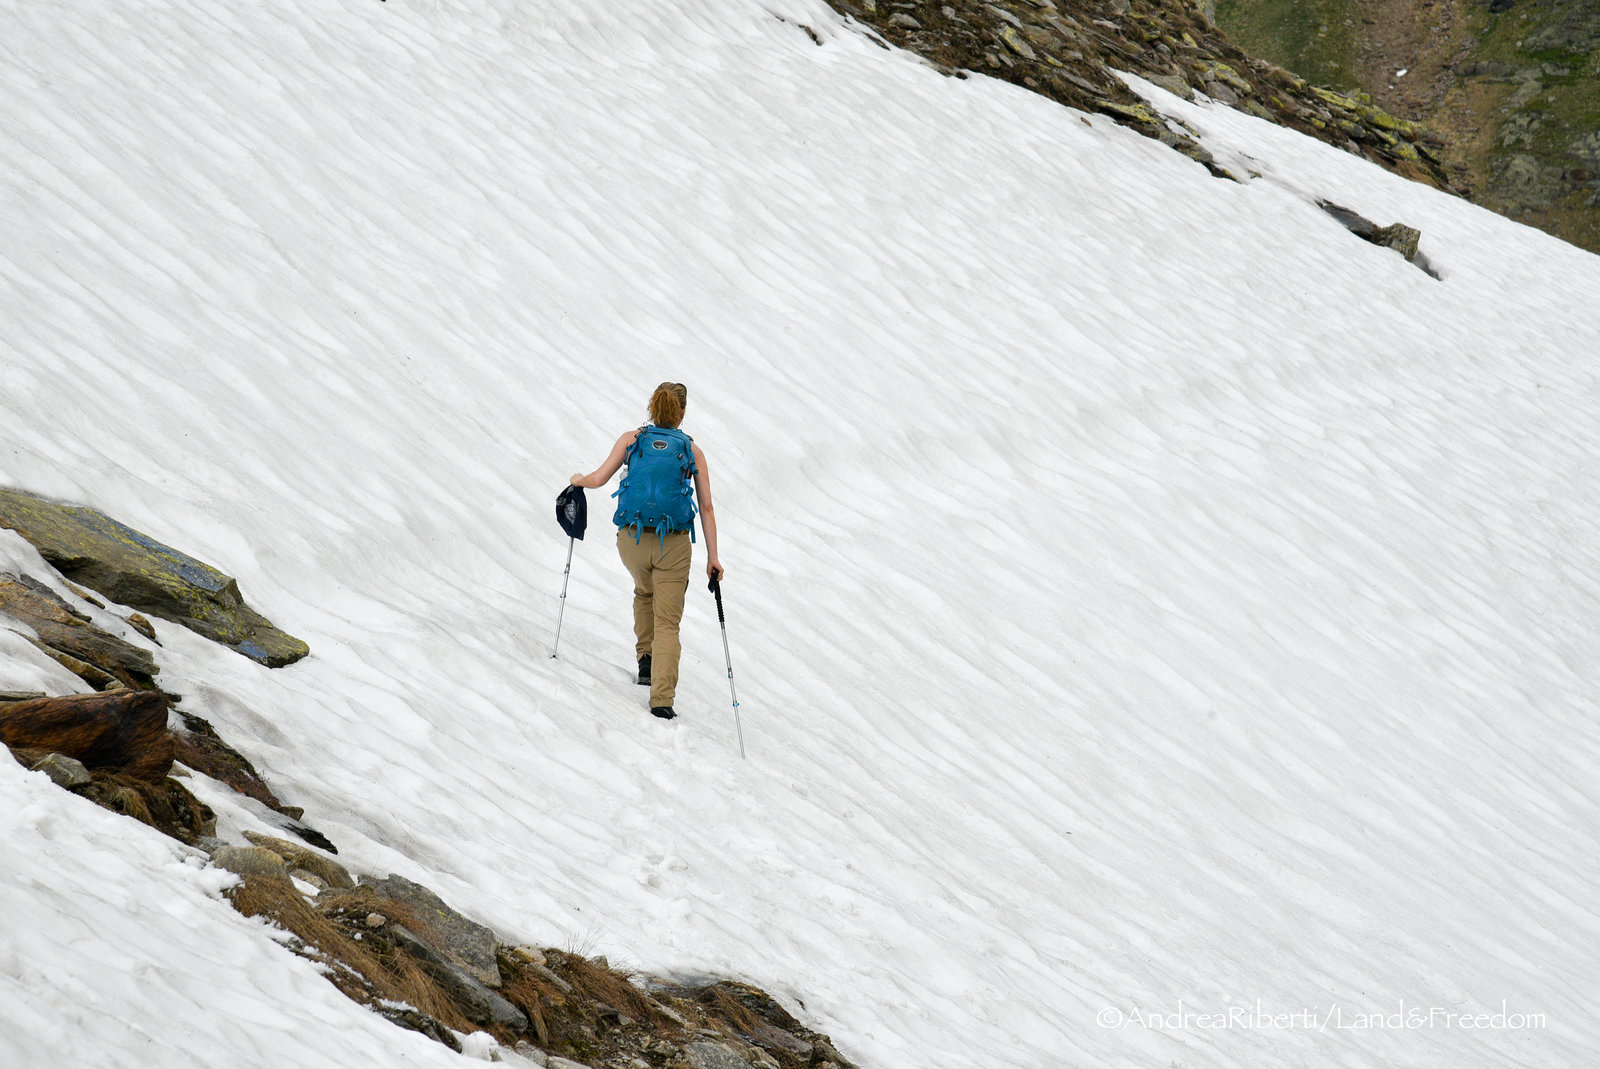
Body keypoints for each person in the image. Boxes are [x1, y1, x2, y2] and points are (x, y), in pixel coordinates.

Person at [570, 382, 723, 720]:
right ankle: (662, 700)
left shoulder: (632, 440)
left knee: (644, 591)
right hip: (674, 543)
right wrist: (713, 557)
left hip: (632, 541)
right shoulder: (692, 451)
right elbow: (707, 507)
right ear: (682, 413)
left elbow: (598, 480)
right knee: (668, 622)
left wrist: (578, 480)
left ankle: (645, 662)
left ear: (652, 408)